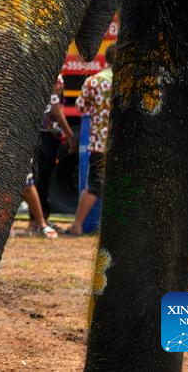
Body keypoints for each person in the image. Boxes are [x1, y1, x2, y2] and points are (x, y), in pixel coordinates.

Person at [64, 45, 117, 236]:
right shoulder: (127, 83)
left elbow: (80, 107)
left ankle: (77, 225)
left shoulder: (94, 81)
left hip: (98, 141)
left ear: (106, 60)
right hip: (121, 144)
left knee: (93, 186)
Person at [34, 74, 75, 225]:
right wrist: (70, 135)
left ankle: (39, 218)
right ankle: (40, 219)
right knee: (43, 178)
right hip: (49, 135)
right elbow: (57, 110)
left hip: (42, 132)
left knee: (39, 177)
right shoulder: (56, 78)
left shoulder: (44, 75)